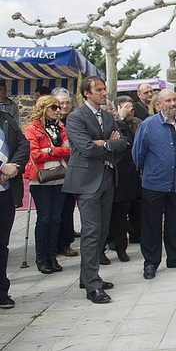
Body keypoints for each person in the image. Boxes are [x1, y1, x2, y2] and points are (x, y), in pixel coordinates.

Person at [63, 76, 128, 304]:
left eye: (104, 89)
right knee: (91, 232)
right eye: (98, 90)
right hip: (86, 181)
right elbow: (87, 149)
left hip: (108, 179)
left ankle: (88, 275)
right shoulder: (75, 118)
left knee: (102, 231)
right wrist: (106, 143)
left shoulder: (108, 116)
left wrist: (106, 143)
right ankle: (92, 286)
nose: (103, 92)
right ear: (86, 93)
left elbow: (123, 143)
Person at [132, 89, 176, 280]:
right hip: (155, 183)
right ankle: (151, 262)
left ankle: (175, 257)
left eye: (175, 100)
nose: (173, 103)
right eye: (168, 100)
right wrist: (153, 169)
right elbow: (138, 154)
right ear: (159, 104)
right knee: (152, 224)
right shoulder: (148, 125)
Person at [24, 96, 70, 274]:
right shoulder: (32, 129)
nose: (58, 110)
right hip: (41, 178)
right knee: (44, 218)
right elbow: (34, 154)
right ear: (44, 108)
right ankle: (41, 258)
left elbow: (68, 149)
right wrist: (54, 152)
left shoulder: (60, 127)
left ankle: (52, 256)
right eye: (54, 107)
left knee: (56, 218)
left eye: (58, 107)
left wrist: (50, 150)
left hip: (60, 175)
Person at [0, 107, 29, 309]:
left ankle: (2, 290)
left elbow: (23, 145)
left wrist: (14, 168)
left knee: (2, 244)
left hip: (6, 191)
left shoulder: (6, 118)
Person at [106, 96, 139, 263]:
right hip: (106, 176)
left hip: (125, 177)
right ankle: (101, 249)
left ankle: (121, 247)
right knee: (104, 218)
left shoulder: (125, 126)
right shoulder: (107, 126)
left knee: (120, 216)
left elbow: (127, 144)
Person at [51, 87, 79, 257]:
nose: (65, 106)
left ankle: (65, 242)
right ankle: (53, 243)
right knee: (54, 211)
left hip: (72, 169)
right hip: (55, 171)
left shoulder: (74, 119)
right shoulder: (50, 123)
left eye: (67, 103)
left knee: (68, 208)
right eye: (61, 103)